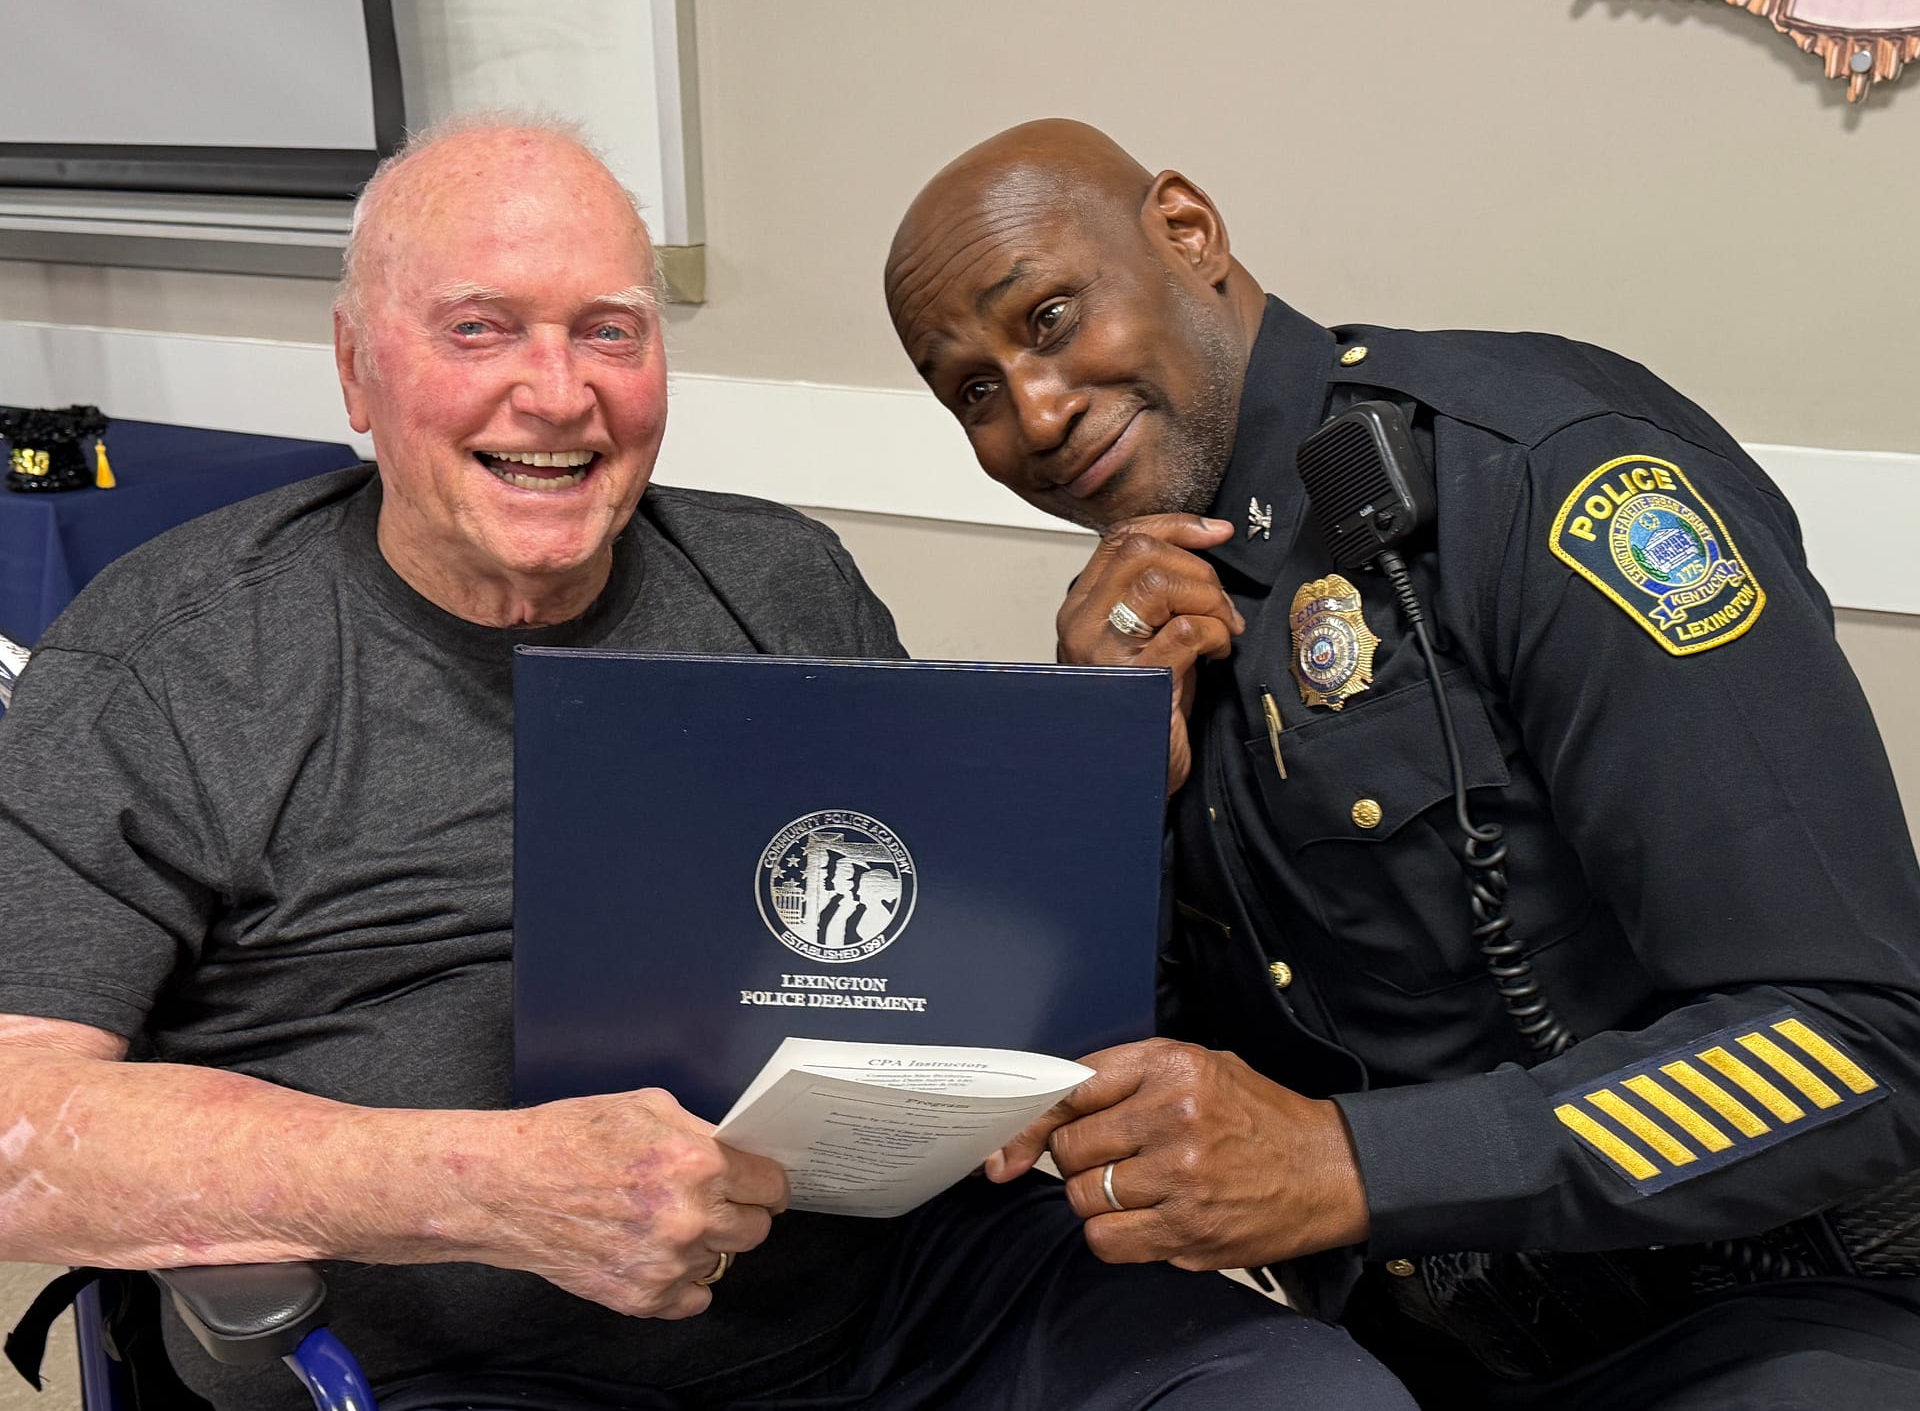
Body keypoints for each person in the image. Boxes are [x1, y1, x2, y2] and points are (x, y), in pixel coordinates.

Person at [0, 115, 1413, 1411]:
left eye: (608, 332)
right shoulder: (174, 660)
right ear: (359, 369)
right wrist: (486, 1188)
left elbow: (930, 928)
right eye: (480, 329)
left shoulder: (776, 578)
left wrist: (1072, 833)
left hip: (902, 1302)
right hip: (460, 1359)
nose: (556, 395)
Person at [884, 118, 1920, 1409]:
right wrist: (1095, 782)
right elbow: (1114, 1072)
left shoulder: (1547, 476)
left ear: (1187, 233)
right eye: (972, 390)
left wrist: (1348, 1163)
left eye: (1046, 318)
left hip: (1784, 1306)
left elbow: (1860, 1044)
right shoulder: (1150, 615)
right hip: (1432, 1350)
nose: (1032, 413)